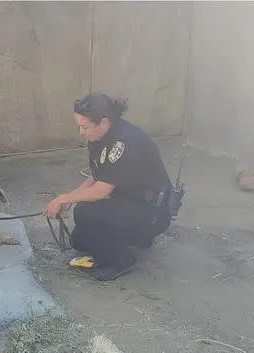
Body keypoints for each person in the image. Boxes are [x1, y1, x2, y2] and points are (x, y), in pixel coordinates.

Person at [44, 92, 174, 281]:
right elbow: (97, 177)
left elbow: (101, 190)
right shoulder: (102, 137)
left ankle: (120, 261)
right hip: (132, 198)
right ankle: (133, 239)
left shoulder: (123, 143)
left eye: (85, 127)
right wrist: (70, 198)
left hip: (153, 213)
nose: (81, 132)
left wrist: (63, 198)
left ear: (103, 122)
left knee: (89, 213)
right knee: (80, 237)